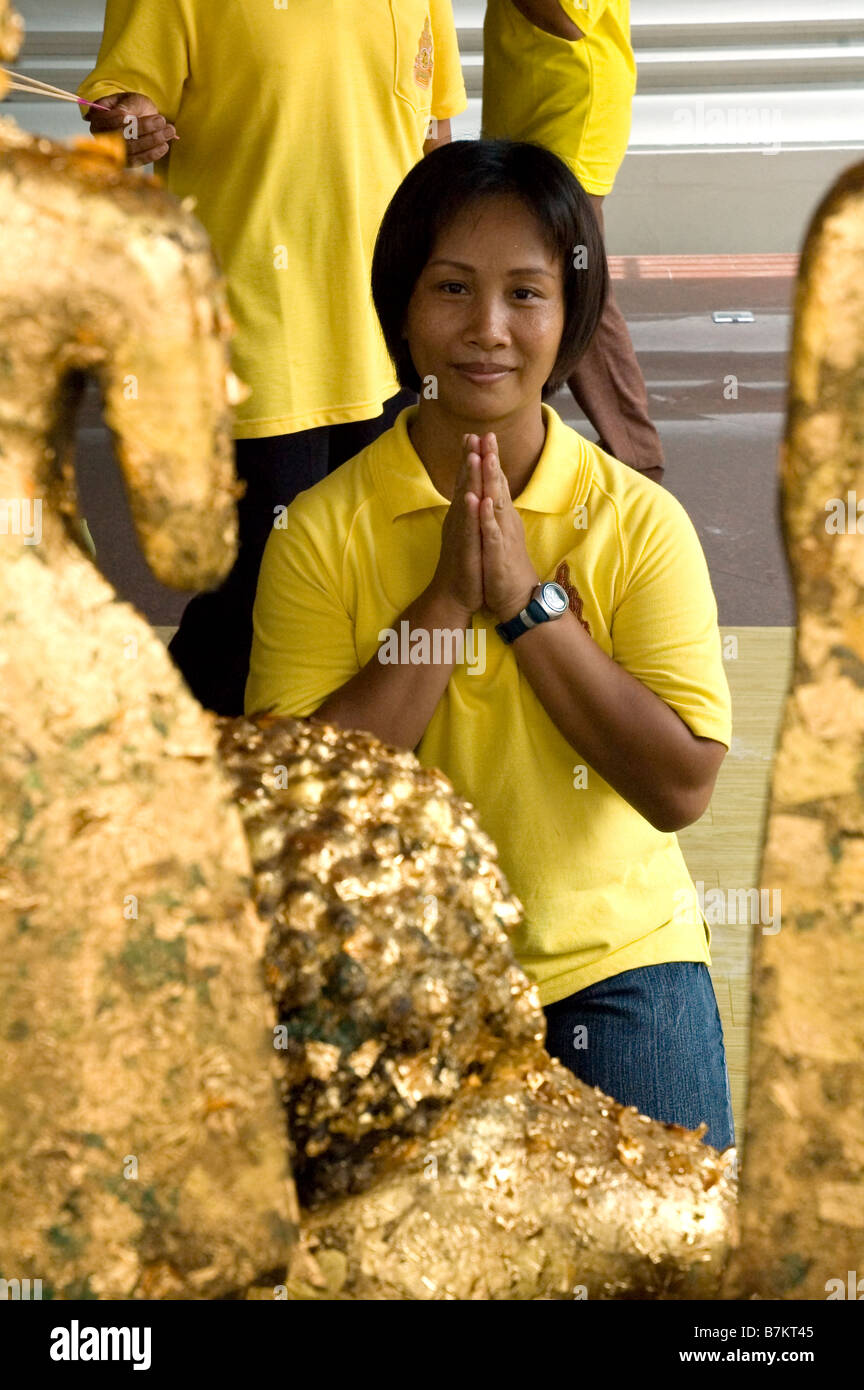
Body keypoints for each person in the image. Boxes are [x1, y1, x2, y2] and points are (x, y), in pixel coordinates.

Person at [244, 138, 735, 1150]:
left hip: (618, 963)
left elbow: (679, 786)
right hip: (396, 969)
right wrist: (444, 604)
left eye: (525, 294)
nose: (487, 331)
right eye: (452, 289)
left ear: (571, 316)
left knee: (686, 1267)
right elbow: (298, 818)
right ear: (403, 308)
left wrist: (525, 606)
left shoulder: (639, 523)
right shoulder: (321, 532)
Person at [78, 1, 466, 715]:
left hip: (387, 336)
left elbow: (433, 136)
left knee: (371, 584)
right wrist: (129, 126)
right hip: (254, 328)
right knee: (256, 594)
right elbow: (122, 108)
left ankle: (329, 781)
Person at [482, 1, 665, 484]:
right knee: (542, 271)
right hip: (536, 97)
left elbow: (564, 16)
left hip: (566, 109)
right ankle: (516, 430)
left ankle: (635, 452)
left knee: (576, 284)